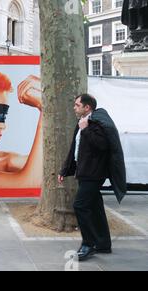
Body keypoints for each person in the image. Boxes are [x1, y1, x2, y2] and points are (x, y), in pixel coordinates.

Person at [58, 94, 126, 262]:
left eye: (77, 105)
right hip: (85, 172)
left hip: (93, 174)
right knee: (96, 208)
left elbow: (102, 146)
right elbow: (75, 149)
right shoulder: (83, 122)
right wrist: (65, 170)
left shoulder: (95, 123)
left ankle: (88, 244)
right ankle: (103, 244)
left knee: (80, 205)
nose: (74, 107)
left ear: (87, 107)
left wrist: (86, 129)